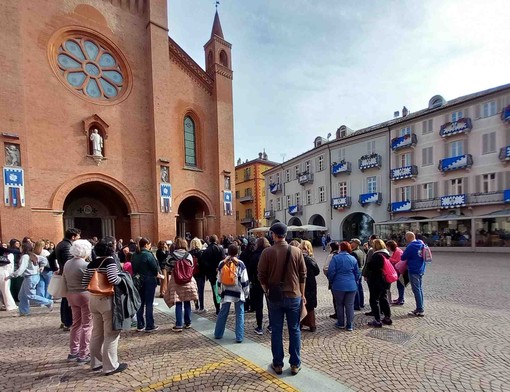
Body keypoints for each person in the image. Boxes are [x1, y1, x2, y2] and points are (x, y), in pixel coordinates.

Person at [258, 222, 307, 376]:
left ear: (273, 235)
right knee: (294, 330)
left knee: (277, 330)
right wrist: (302, 294)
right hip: (294, 295)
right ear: (285, 235)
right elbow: (303, 274)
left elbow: (261, 275)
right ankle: (295, 364)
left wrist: (266, 290)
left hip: (275, 296)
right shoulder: (296, 251)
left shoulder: (267, 252)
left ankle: (278, 364)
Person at [82, 237, 128, 375]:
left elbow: (84, 283)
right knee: (111, 334)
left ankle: (96, 363)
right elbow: (114, 279)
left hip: (94, 300)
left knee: (97, 333)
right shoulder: (110, 261)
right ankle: (110, 366)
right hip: (107, 300)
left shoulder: (91, 263)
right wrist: (123, 278)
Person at [63, 239, 93, 363]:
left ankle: (73, 351)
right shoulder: (85, 265)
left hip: (71, 294)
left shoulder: (67, 263)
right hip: (84, 294)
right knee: (87, 325)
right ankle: (83, 353)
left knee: (76, 324)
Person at [214, 244, 250, 343]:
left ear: (228, 252)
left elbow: (219, 279)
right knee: (240, 314)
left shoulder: (222, 263)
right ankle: (239, 336)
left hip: (226, 291)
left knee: (223, 312)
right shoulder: (240, 264)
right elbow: (244, 280)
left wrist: (219, 292)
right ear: (237, 252)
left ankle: (218, 333)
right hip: (238, 291)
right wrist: (246, 293)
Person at [5, 242, 53, 315]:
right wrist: (42, 266)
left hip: (30, 277)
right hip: (32, 276)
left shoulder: (25, 257)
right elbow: (44, 260)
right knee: (22, 295)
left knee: (30, 295)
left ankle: (48, 302)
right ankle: (24, 311)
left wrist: (11, 276)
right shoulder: (32, 255)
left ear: (23, 248)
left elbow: (21, 269)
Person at [164, 237, 198, 332]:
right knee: (187, 301)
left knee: (178, 302)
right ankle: (188, 322)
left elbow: (167, 268)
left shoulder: (171, 256)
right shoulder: (188, 255)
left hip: (176, 281)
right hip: (188, 281)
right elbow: (191, 267)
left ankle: (179, 324)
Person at [132, 237, 162, 333]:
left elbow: (133, 268)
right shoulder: (148, 254)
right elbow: (154, 268)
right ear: (146, 245)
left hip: (138, 280)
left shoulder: (135, 255)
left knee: (140, 302)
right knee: (149, 303)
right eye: (149, 245)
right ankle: (150, 325)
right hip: (149, 280)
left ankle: (140, 324)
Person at [328, 242, 359, 331]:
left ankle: (341, 323)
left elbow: (331, 272)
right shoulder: (352, 258)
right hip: (351, 285)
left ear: (340, 248)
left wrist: (332, 281)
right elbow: (357, 273)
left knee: (339, 305)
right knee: (350, 305)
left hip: (338, 285)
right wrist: (355, 281)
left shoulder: (336, 258)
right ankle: (349, 325)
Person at [56, 228, 81, 331]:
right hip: (68, 275)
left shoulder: (60, 244)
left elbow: (51, 258)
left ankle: (64, 320)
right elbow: (68, 262)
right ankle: (68, 322)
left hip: (63, 273)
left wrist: (57, 269)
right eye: (78, 236)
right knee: (68, 300)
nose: (79, 238)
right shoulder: (67, 246)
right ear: (73, 236)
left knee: (65, 298)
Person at [365, 239, 392, 328]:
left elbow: (372, 267)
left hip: (377, 280)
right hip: (385, 280)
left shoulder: (377, 255)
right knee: (383, 298)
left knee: (374, 300)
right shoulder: (386, 254)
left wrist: (369, 265)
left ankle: (377, 320)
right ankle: (387, 317)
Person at [401, 232, 427, 317]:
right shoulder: (421, 243)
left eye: (406, 238)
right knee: (419, 289)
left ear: (408, 238)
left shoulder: (411, 246)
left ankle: (419, 309)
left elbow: (403, 257)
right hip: (421, 268)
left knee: (416, 289)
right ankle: (420, 307)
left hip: (413, 269)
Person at [248, 237, 271, 335]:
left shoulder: (255, 255)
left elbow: (250, 270)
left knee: (259, 305)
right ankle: (271, 326)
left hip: (257, 282)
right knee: (271, 304)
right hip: (270, 282)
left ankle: (260, 327)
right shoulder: (270, 254)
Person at [200, 234, 225, 315]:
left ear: (210, 240)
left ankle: (217, 308)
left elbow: (204, 263)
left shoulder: (206, 250)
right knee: (222, 289)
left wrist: (209, 270)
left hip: (211, 274)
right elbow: (223, 261)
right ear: (216, 240)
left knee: (215, 290)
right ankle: (223, 306)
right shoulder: (221, 249)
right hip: (221, 273)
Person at [299, 240, 320, 332]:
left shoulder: (298, 257)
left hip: (300, 283)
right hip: (310, 284)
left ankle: (300, 323)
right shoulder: (309, 259)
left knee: (301, 304)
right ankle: (312, 325)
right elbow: (317, 271)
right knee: (310, 305)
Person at [322, 241, 340, 319]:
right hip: (341, 279)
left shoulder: (331, 255)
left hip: (334, 280)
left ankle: (337, 313)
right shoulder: (340, 254)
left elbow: (325, 268)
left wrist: (329, 277)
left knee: (335, 298)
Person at [189, 237, 206, 312]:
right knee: (201, 291)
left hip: (192, 274)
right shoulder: (201, 253)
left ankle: (196, 306)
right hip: (201, 273)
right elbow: (203, 264)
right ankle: (201, 307)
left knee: (194, 290)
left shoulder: (189, 253)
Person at [386, 240, 405, 305]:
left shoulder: (398, 251)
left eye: (388, 247)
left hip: (400, 271)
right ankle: (400, 298)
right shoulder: (396, 250)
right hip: (399, 270)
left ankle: (401, 299)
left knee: (400, 285)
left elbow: (398, 261)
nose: (387, 248)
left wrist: (389, 258)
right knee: (399, 285)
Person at [350, 239, 365, 310]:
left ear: (355, 244)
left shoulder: (354, 253)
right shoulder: (361, 251)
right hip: (360, 270)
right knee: (360, 288)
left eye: (352, 243)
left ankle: (357, 304)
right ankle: (361, 303)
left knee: (356, 288)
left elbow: (353, 264)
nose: (351, 244)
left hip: (356, 271)